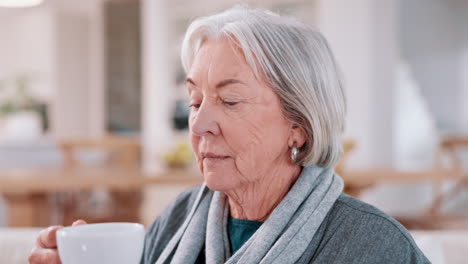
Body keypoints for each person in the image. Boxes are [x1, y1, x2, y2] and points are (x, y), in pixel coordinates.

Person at [29, 6, 429, 264]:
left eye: (231, 101)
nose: (200, 124)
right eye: (195, 100)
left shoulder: (373, 247)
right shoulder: (180, 218)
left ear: (300, 127)